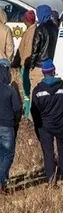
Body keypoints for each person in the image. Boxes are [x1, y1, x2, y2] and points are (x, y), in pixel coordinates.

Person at [31, 60, 63, 186]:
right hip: (61, 123)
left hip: (45, 126)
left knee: (48, 153)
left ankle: (51, 180)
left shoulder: (38, 90)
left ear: (43, 73)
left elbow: (34, 111)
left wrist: (38, 125)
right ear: (54, 71)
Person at [0, 59, 20, 192]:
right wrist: (15, 121)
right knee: (8, 154)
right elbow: (17, 109)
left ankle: (3, 182)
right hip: (7, 126)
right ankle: (1, 180)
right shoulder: (10, 90)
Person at [17, 10, 35, 111]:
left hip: (26, 66)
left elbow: (25, 51)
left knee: (27, 92)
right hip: (29, 65)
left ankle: (28, 112)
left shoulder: (29, 33)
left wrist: (21, 64)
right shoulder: (33, 30)